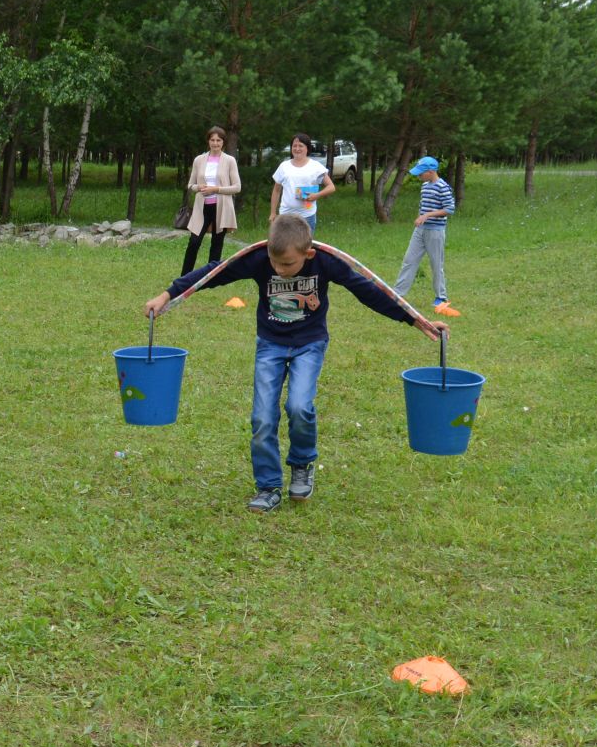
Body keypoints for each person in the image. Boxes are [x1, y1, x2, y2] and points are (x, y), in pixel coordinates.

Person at [144, 213, 446, 513]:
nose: (279, 269)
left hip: (309, 344)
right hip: (270, 345)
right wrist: (168, 294)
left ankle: (301, 464)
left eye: (288, 264)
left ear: (308, 253)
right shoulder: (261, 258)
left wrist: (414, 320)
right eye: (275, 263)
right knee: (262, 417)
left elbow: (366, 289)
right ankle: (268, 486)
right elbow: (215, 272)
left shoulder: (325, 261)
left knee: (299, 406)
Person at [393, 155, 460, 317]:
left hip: (435, 232)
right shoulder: (424, 186)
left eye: (421, 173)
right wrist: (421, 216)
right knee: (409, 261)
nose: (418, 176)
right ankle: (397, 294)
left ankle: (441, 297)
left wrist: (427, 215)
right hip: (420, 231)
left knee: (436, 264)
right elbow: (422, 206)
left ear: (431, 172)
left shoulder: (442, 187)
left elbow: (450, 209)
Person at [180, 126, 241, 274]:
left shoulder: (229, 160)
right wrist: (198, 187)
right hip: (202, 207)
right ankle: (185, 276)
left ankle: (211, 276)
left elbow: (237, 187)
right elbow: (190, 185)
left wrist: (216, 189)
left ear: (223, 142)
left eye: (218, 140)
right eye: (212, 140)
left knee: (217, 243)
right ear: (208, 141)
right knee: (194, 242)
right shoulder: (199, 160)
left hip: (221, 208)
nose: (215, 143)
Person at [270, 134, 335, 233]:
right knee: (286, 247)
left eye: (301, 146)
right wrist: (273, 213)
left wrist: (316, 195)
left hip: (307, 216)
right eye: (294, 146)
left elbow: (331, 187)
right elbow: (276, 190)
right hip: (285, 216)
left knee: (305, 247)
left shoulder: (315, 166)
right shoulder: (284, 166)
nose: (297, 149)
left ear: (307, 148)